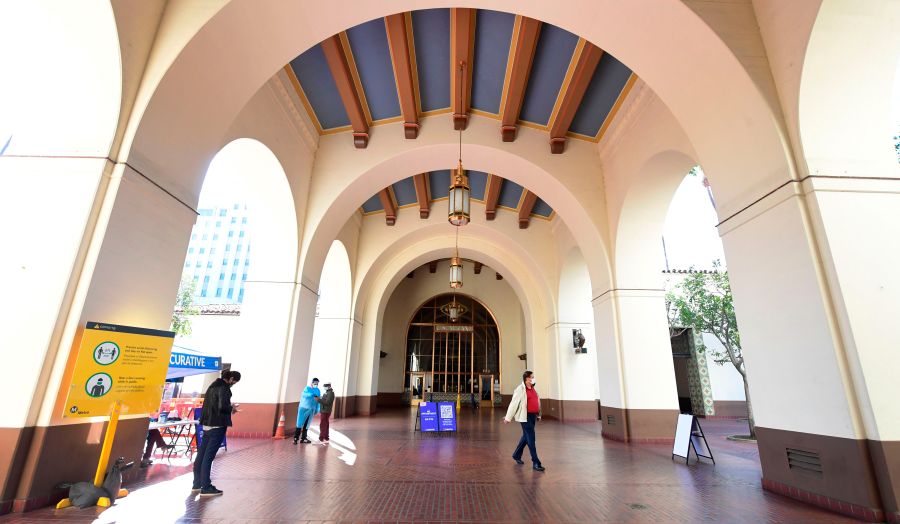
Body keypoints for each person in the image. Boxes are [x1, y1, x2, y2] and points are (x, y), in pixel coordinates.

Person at [192, 370, 241, 496]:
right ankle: (206, 487)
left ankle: (197, 484)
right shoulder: (223, 388)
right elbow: (222, 406)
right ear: (230, 378)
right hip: (217, 425)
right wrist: (232, 408)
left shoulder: (212, 385)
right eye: (234, 381)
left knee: (201, 455)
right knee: (208, 457)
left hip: (207, 424)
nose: (233, 384)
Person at [503, 370, 544, 471]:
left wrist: (538, 414)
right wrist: (508, 417)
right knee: (531, 439)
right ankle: (536, 462)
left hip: (532, 416)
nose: (533, 378)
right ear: (526, 379)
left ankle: (516, 455)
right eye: (531, 377)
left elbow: (537, 401)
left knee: (526, 437)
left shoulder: (533, 389)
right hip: (524, 417)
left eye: (533, 377)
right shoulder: (520, 389)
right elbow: (513, 403)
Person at [293, 378, 321, 444]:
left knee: (307, 424)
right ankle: (296, 438)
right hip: (303, 408)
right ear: (312, 382)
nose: (316, 384)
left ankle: (304, 438)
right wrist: (311, 394)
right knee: (299, 423)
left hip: (312, 409)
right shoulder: (307, 388)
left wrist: (317, 409)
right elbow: (304, 394)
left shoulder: (318, 390)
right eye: (315, 383)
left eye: (317, 383)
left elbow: (318, 400)